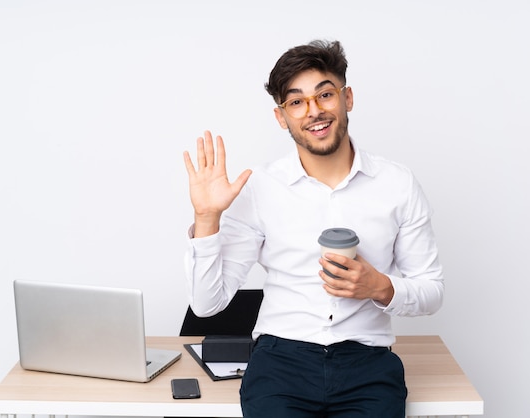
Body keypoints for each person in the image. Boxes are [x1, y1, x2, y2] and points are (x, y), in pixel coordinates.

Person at [182, 40, 444, 418]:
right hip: (280, 363)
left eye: (325, 94)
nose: (314, 111)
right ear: (281, 116)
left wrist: (381, 287)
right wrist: (207, 219)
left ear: (347, 97)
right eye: (296, 101)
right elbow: (207, 305)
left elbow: (432, 290)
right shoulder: (260, 187)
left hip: (368, 364)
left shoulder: (397, 184)